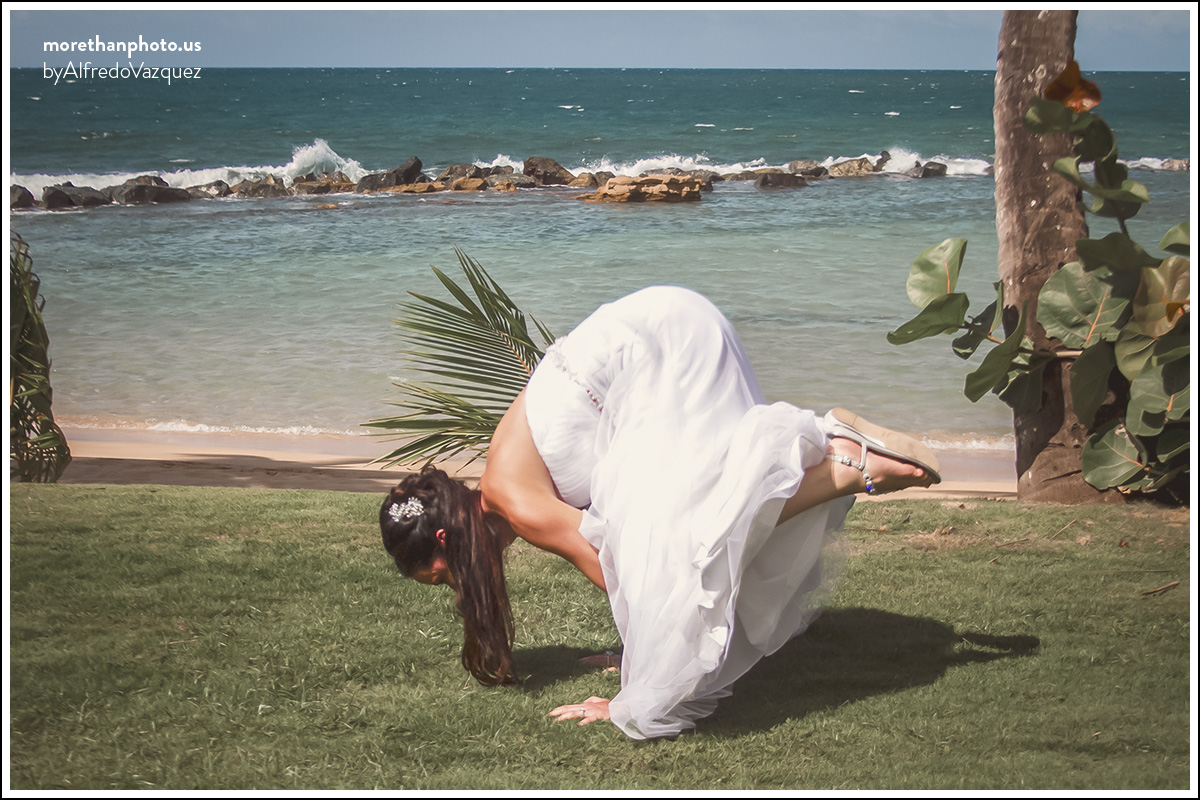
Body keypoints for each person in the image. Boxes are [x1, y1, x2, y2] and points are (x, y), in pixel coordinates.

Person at [380, 286, 940, 739]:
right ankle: (835, 452)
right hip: (675, 322)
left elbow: (625, 574)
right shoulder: (502, 477)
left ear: (445, 539)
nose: (458, 587)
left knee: (687, 541)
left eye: (443, 577)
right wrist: (632, 651)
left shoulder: (516, 502)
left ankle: (845, 462)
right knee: (710, 501)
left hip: (655, 350)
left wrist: (636, 691)